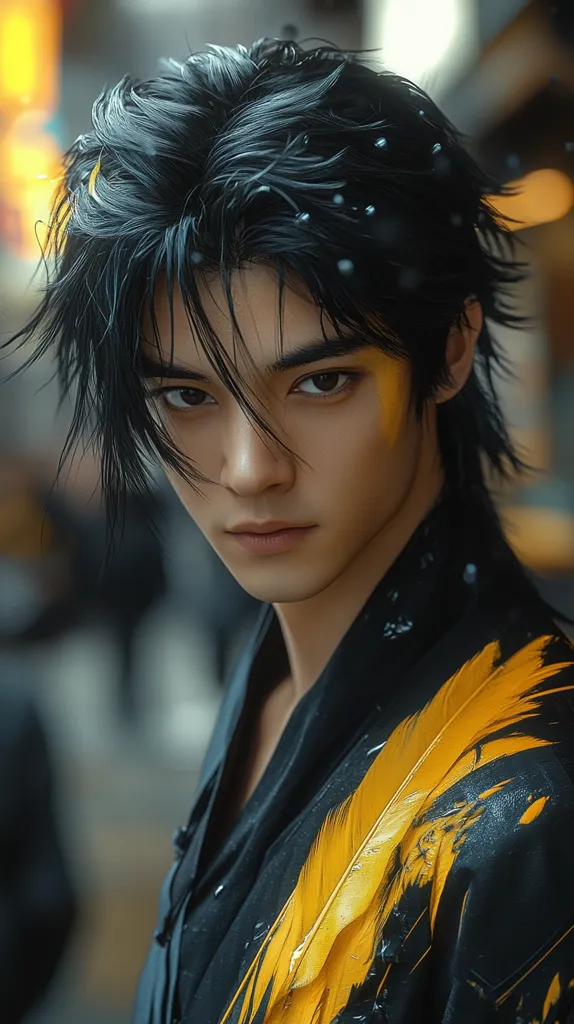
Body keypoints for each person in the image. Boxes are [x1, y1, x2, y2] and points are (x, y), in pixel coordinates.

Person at [6, 38, 574, 1024]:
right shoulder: (282, 659)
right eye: (185, 395)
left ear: (449, 349)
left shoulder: (524, 817)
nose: (248, 468)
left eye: (320, 382)